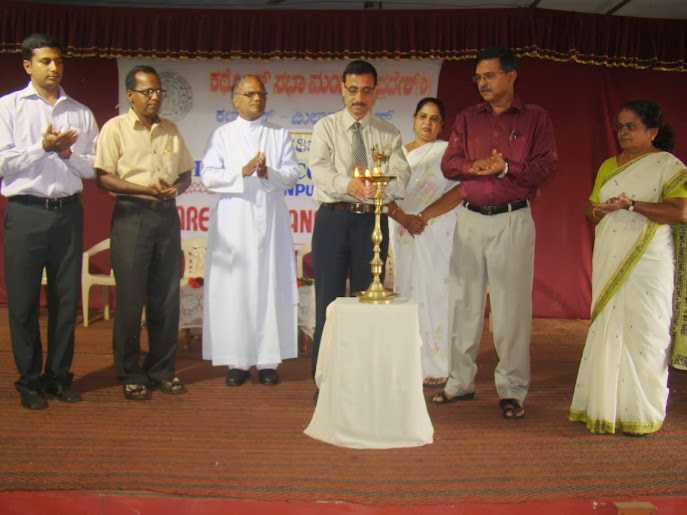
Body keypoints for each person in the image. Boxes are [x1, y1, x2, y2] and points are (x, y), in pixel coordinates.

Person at [434, 47, 557, 419]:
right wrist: (476, 166)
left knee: (511, 308)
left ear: (511, 75)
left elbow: (545, 168)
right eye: (478, 77)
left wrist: (506, 169)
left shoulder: (536, 118)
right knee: (463, 303)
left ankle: (512, 389)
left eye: (489, 76)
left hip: (512, 219)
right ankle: (459, 383)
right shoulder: (467, 118)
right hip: (470, 220)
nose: (482, 83)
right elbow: (449, 164)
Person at [569, 101, 687, 436]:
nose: (623, 133)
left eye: (631, 126)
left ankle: (641, 413)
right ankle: (602, 407)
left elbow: (680, 212)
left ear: (653, 131)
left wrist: (632, 205)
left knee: (646, 332)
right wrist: (599, 210)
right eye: (619, 126)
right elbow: (589, 208)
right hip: (610, 255)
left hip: (649, 262)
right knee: (608, 327)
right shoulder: (609, 165)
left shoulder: (668, 166)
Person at [0, 33, 98, 410]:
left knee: (65, 301)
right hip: (25, 212)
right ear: (28, 65)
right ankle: (29, 382)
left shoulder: (80, 112)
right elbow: (3, 163)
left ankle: (58, 378)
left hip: (67, 214)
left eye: (58, 61)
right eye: (45, 61)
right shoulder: (9, 107)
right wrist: (42, 147)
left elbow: (93, 168)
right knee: (23, 303)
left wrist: (67, 153)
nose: (54, 68)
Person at [94, 65, 194, 401]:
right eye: (147, 91)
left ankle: (161, 369)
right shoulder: (115, 128)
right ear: (130, 95)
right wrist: (143, 190)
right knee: (131, 299)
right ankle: (129, 372)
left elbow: (186, 175)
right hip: (132, 215)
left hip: (166, 216)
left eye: (158, 91)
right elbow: (104, 177)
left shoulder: (171, 129)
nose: (155, 97)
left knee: (166, 297)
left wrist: (176, 189)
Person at [309, 60, 411, 383]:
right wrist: (347, 184)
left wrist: (378, 187)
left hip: (372, 224)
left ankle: (365, 379)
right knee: (329, 303)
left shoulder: (389, 133)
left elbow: (401, 176)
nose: (359, 98)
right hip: (333, 220)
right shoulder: (325, 127)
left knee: (369, 301)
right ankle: (325, 379)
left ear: (376, 92)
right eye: (352, 90)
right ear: (342, 89)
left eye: (366, 91)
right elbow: (319, 170)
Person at [200, 75, 300, 387]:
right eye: (249, 94)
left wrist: (267, 172)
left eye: (261, 93)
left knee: (270, 283)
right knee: (236, 287)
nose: (257, 99)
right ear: (234, 99)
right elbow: (208, 176)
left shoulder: (278, 134)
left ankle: (268, 360)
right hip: (234, 220)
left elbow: (293, 173)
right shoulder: (222, 134)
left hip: (270, 219)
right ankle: (238, 360)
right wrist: (240, 172)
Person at [387, 97, 462, 387]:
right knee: (407, 290)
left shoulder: (447, 153)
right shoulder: (398, 155)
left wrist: (425, 216)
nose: (427, 123)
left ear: (442, 125)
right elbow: (385, 194)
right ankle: (411, 360)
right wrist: (403, 218)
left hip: (436, 231)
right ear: (414, 119)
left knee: (437, 292)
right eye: (422, 116)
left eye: (434, 118)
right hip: (404, 229)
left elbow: (459, 191)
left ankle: (439, 362)